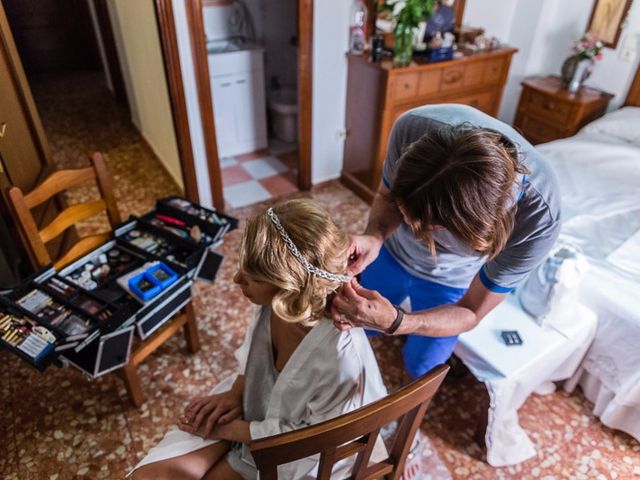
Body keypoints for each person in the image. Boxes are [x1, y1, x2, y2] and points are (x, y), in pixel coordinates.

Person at [131, 199, 387, 480]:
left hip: (297, 453)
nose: (236, 280)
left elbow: (314, 440)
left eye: (252, 278)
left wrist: (235, 430)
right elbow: (255, 353)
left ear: (288, 287)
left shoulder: (342, 359)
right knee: (150, 476)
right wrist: (237, 391)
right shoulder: (278, 305)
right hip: (257, 407)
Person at [332, 104, 561, 380]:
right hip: (391, 253)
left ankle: (409, 418)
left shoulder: (539, 220)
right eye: (405, 214)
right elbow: (387, 197)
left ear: (474, 226)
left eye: (427, 227)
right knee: (355, 323)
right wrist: (375, 234)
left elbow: (471, 310)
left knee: (423, 367)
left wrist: (399, 322)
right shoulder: (412, 128)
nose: (414, 231)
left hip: (453, 282)